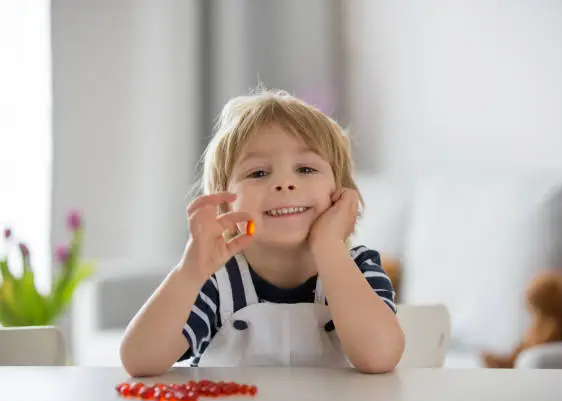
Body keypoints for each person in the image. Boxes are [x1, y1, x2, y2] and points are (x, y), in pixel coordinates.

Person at [120, 88, 405, 377]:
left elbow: (379, 357)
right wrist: (189, 272)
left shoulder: (359, 267)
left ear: (342, 195)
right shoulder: (217, 281)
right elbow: (139, 360)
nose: (284, 182)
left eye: (305, 169)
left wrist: (329, 246)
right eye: (258, 173)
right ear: (224, 202)